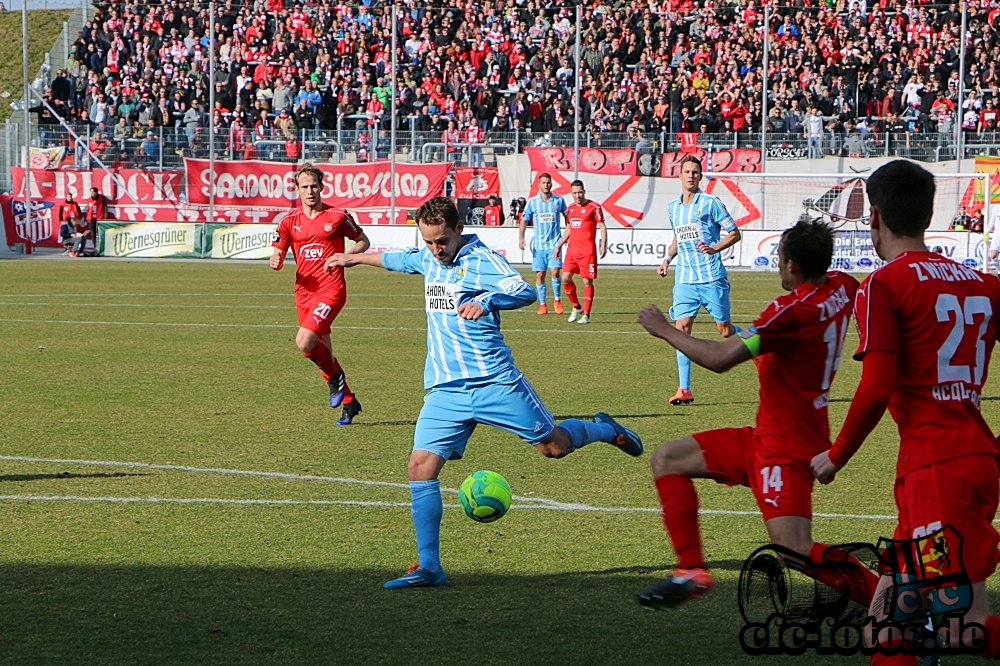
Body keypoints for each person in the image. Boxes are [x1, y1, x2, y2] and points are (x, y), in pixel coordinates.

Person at [326, 197, 644, 589]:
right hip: (445, 389)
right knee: (420, 467)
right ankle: (429, 567)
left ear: (459, 229)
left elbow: (524, 291)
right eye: (428, 242)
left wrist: (486, 299)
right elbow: (396, 258)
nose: (436, 250)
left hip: (495, 381)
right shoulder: (426, 259)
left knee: (553, 447)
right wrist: (352, 260)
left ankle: (604, 430)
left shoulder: (485, 260)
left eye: (442, 240)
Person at [810, 160, 1000, 662]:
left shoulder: (883, 284)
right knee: (885, 621)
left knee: (965, 627)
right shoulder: (981, 283)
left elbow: (875, 387)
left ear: (874, 216)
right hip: (954, 465)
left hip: (941, 474)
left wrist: (836, 456)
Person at [635, 218, 876, 611]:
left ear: (792, 266)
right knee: (669, 458)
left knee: (794, 549)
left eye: (780, 260)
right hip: (768, 434)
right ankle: (691, 569)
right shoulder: (843, 285)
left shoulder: (790, 311)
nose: (779, 266)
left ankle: (891, 601)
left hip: (786, 445)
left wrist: (664, 329)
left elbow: (721, 359)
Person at [270, 163, 371, 425]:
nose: (310, 191)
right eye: (305, 187)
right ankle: (349, 401)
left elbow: (363, 241)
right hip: (304, 294)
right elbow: (278, 253)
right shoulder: (288, 222)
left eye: (314, 185)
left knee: (304, 342)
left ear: (321, 186)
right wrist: (276, 261)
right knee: (319, 349)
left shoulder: (338, 216)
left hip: (331, 289)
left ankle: (336, 378)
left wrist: (347, 256)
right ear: (297, 189)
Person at [657, 154, 742, 405]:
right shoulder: (673, 208)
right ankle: (684, 389)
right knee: (681, 331)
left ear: (700, 176)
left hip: (711, 277)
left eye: (695, 172)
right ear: (679, 175)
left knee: (725, 332)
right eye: (687, 171)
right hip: (684, 279)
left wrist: (715, 248)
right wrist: (666, 259)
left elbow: (734, 233)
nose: (691, 175)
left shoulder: (711, 203)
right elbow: (678, 238)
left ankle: (755, 341)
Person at [553, 180, 607, 324]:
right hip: (572, 250)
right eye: (574, 193)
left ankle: (587, 315)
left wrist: (603, 244)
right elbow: (569, 228)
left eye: (580, 192)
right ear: (571, 193)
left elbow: (601, 226)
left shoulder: (594, 207)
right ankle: (577, 307)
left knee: (587, 281)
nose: (577, 195)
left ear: (584, 192)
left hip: (587, 251)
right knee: (565, 278)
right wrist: (559, 245)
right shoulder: (570, 209)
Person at [518, 172, 567, 315]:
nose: (546, 185)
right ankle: (542, 304)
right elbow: (525, 220)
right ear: (539, 185)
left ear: (551, 184)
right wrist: (521, 237)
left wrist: (568, 235)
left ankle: (557, 300)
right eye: (543, 183)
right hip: (539, 246)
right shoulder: (533, 202)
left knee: (555, 271)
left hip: (555, 244)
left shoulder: (558, 200)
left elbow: (568, 217)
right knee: (540, 275)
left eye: (548, 182)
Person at [86, 186, 110, 250]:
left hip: (100, 219)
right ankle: (95, 246)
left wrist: (105, 218)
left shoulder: (102, 198)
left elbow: (105, 208)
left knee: (100, 233)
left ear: (96, 192)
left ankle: (101, 246)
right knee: (93, 234)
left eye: (93, 192)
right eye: (91, 192)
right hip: (91, 220)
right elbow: (88, 209)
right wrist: (87, 219)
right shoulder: (89, 199)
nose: (92, 193)